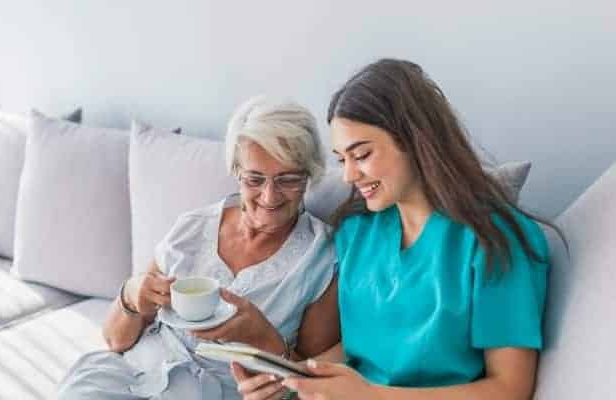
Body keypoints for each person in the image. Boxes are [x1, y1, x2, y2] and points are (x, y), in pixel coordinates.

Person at [233, 59, 556, 400]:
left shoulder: (496, 240)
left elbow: (510, 388)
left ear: (415, 139)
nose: (349, 176)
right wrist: (289, 382)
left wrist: (372, 396)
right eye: (342, 159)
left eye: (362, 154)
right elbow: (358, 349)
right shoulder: (356, 232)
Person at [57, 95, 340, 399]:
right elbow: (114, 341)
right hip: (134, 375)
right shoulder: (193, 227)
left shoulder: (321, 258)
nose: (269, 197)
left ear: (309, 175)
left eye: (288, 180)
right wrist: (131, 295)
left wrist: (262, 337)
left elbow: (311, 384)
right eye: (255, 179)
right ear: (236, 171)